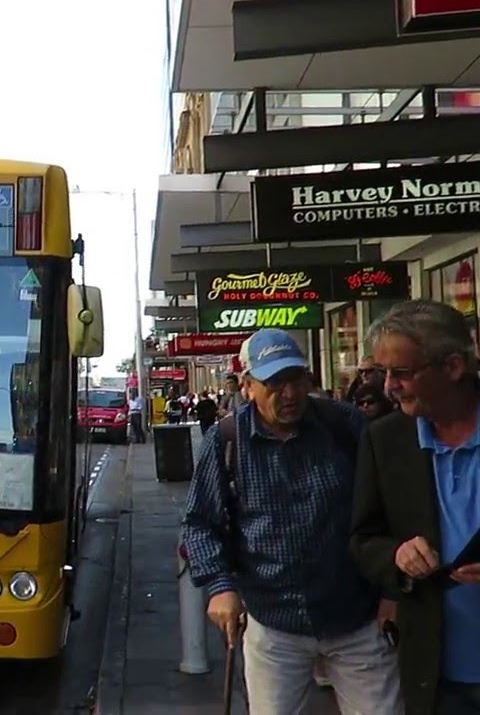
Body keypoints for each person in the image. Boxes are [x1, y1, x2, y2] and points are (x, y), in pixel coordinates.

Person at [181, 329, 402, 715]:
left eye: (296, 380)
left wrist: (392, 593)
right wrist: (219, 586)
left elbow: (392, 507)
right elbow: (200, 522)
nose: (289, 394)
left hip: (357, 617)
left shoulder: (345, 425)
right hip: (273, 624)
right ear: (248, 386)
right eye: (275, 383)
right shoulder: (227, 439)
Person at [351, 299, 480, 715]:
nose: (389, 386)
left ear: (454, 366)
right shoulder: (385, 440)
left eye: (402, 373)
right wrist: (397, 556)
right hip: (438, 674)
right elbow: (363, 540)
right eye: (383, 372)